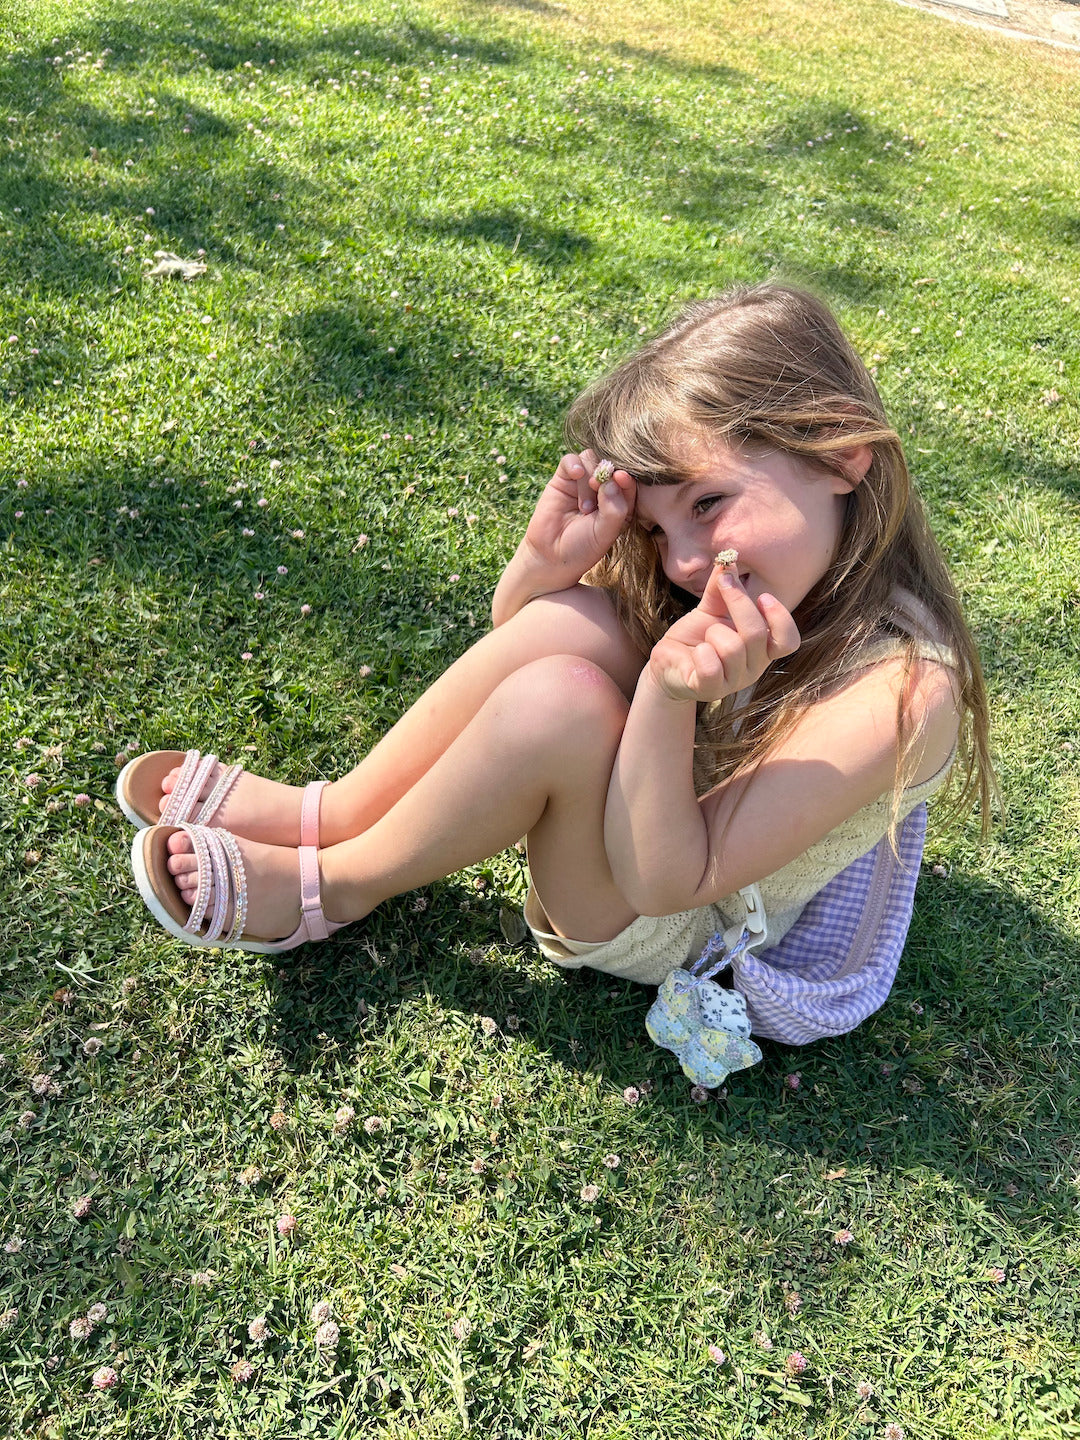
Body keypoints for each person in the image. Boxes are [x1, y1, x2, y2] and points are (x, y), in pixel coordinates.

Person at [120, 283, 993, 1060]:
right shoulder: (772, 578)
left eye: (707, 503)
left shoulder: (904, 691)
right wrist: (542, 568)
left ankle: (335, 887)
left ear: (839, 455)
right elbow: (521, 652)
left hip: (681, 917)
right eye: (658, 530)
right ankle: (331, 814)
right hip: (652, 823)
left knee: (564, 705)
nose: (684, 561)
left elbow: (667, 878)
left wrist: (665, 694)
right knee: (581, 623)